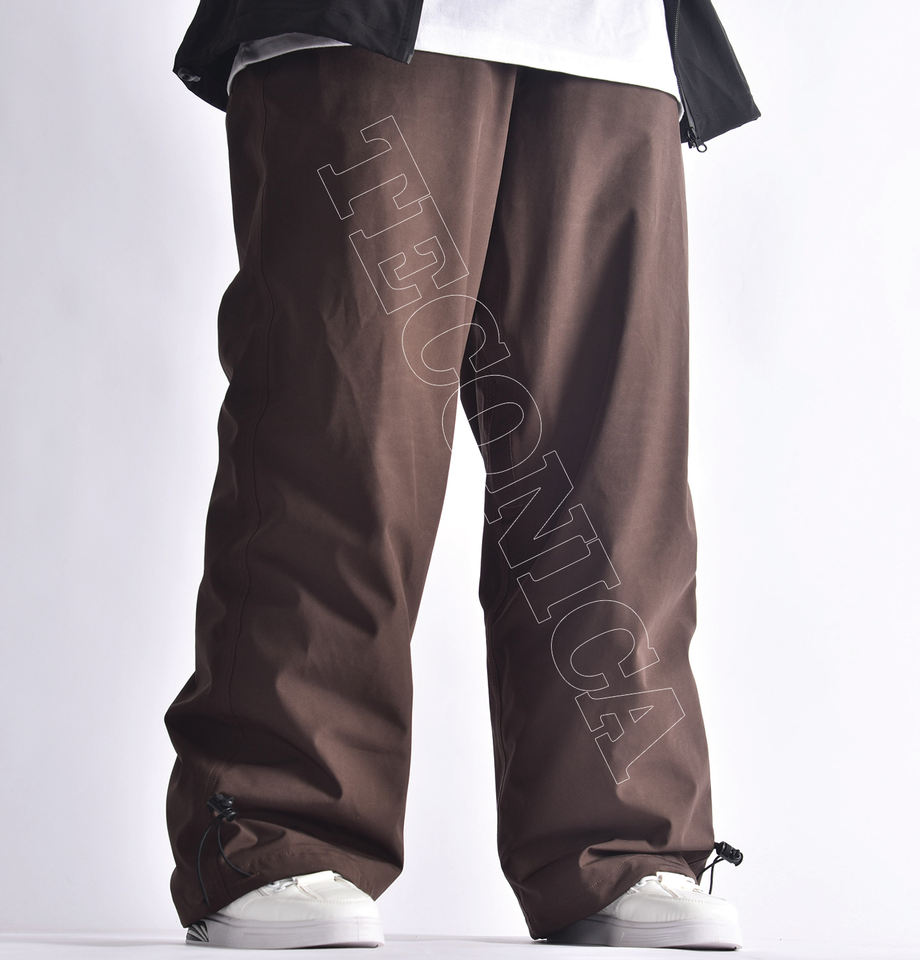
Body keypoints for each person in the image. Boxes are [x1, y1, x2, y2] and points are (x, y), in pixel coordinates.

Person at [162, 0, 760, 950]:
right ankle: (276, 829)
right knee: (348, 430)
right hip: (373, 26)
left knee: (612, 475)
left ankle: (620, 842)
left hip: (615, 43)